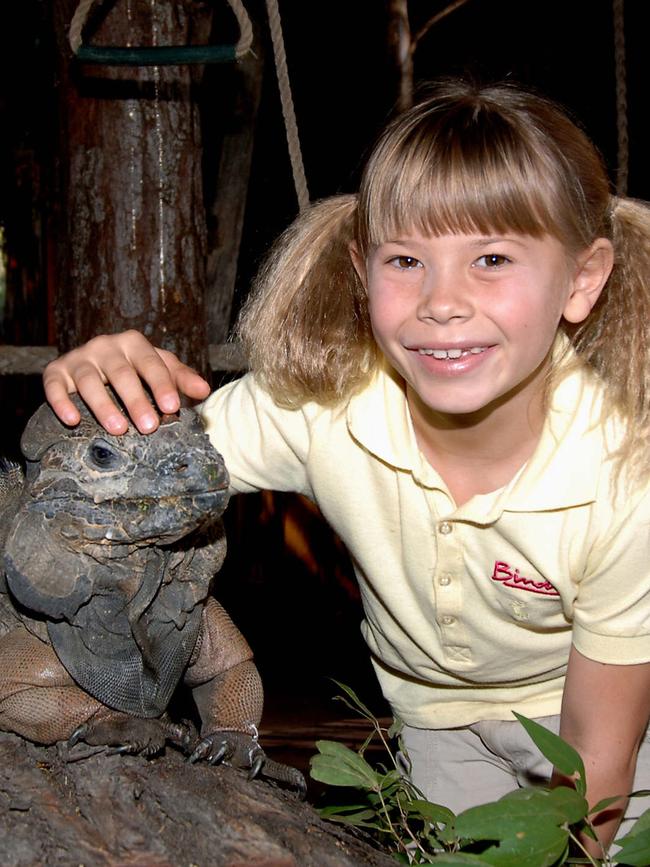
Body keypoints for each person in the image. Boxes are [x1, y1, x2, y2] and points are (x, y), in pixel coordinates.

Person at [43, 79, 650, 854]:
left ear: (582, 279)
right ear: (361, 273)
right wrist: (105, 386)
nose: (442, 300)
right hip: (433, 724)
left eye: (491, 257)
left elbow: (599, 754)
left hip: (583, 722)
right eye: (406, 260)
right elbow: (152, 460)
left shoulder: (624, 475)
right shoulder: (322, 407)